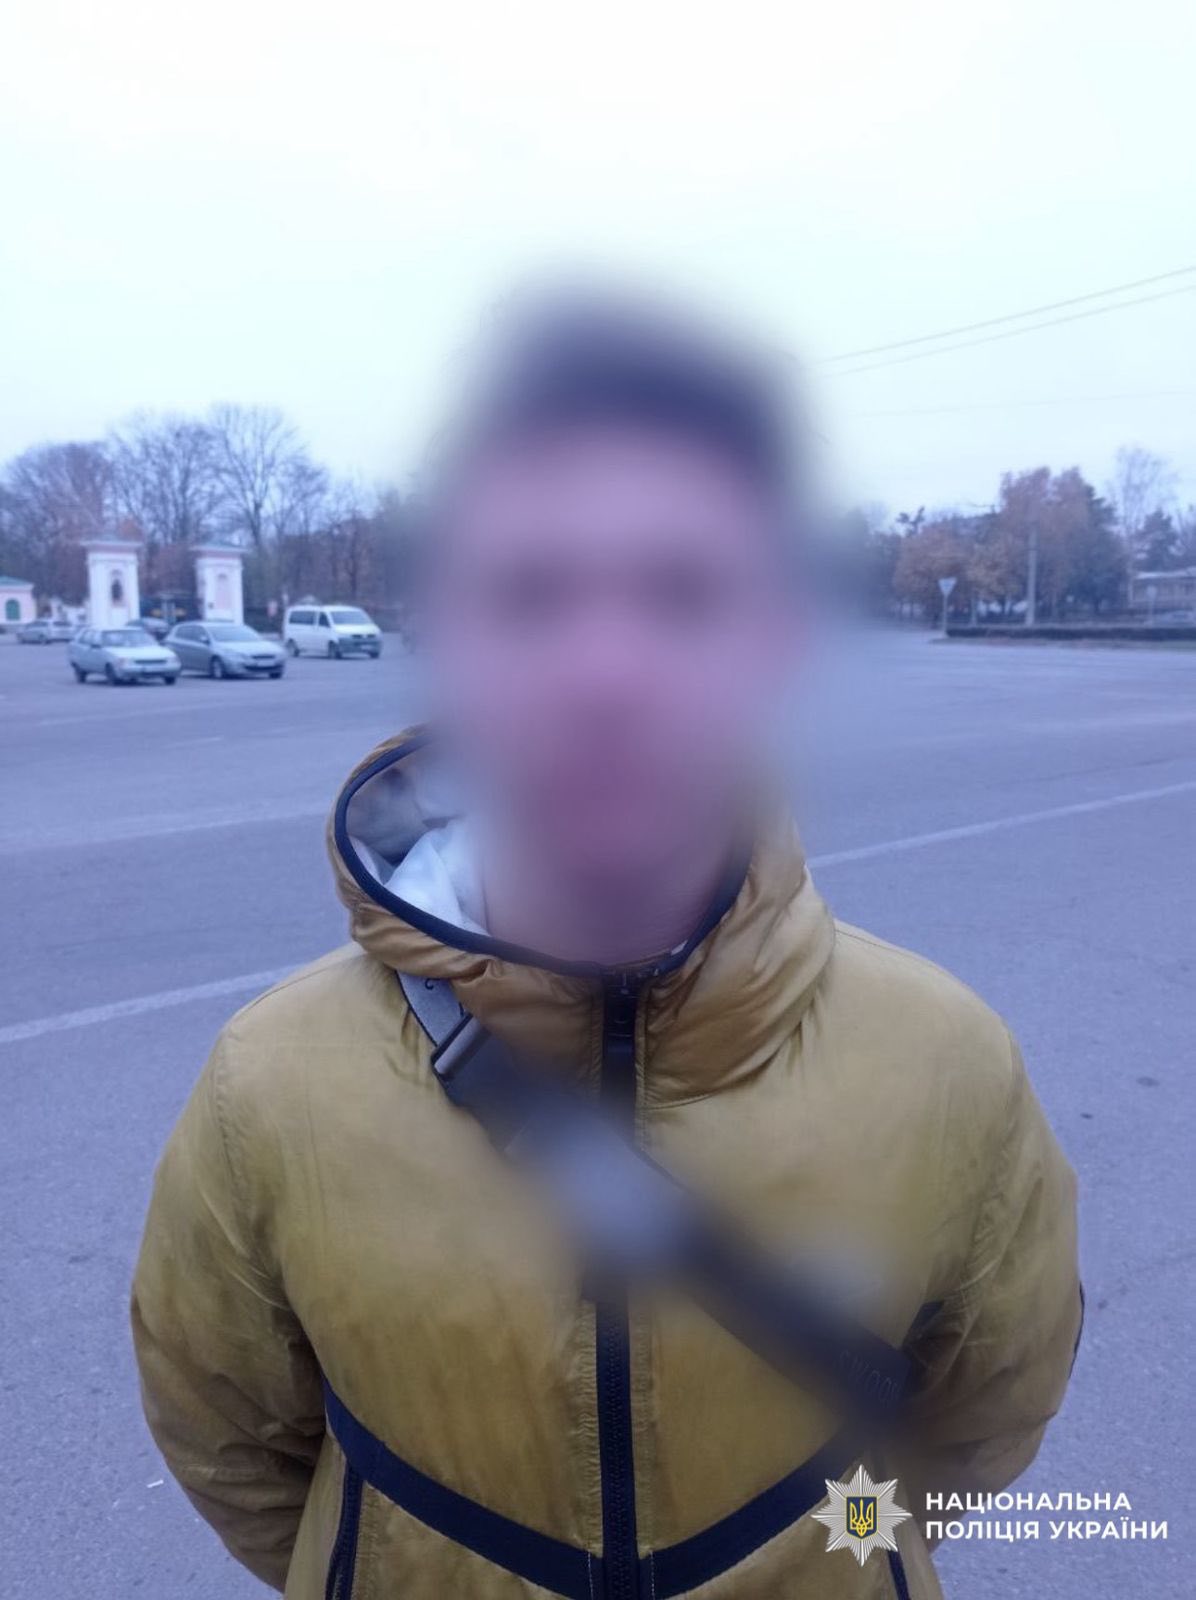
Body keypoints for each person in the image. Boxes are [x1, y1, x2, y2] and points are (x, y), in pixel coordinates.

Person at [131, 292, 1081, 1600]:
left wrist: (821, 1558)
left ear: (772, 642)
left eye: (683, 594)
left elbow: (977, 1423)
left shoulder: (948, 1063)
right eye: (531, 596)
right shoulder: (271, 1084)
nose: (605, 672)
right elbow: (232, 1437)